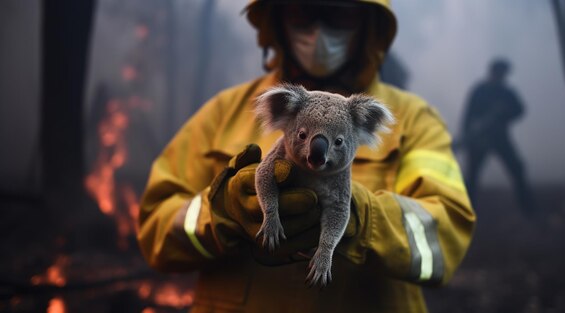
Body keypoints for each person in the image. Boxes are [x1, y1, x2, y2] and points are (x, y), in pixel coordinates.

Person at [138, 1, 475, 312]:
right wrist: (221, 214)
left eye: (339, 14)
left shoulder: (411, 120)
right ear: (277, 19)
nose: (319, 33)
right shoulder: (223, 113)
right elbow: (155, 228)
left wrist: (364, 221)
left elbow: (446, 238)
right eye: (302, 12)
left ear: (368, 25)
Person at [458, 58, 534, 214]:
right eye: (499, 72)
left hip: (500, 138)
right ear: (492, 72)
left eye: (503, 73)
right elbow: (468, 115)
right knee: (472, 177)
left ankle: (528, 208)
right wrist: (467, 136)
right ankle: (464, 211)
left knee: (517, 168)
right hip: (479, 140)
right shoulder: (479, 90)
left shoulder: (507, 93)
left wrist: (504, 114)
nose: (500, 76)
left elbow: (520, 110)